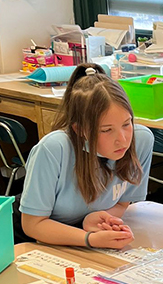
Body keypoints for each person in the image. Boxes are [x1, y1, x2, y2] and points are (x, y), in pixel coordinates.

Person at [18, 63, 154, 249]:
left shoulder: (142, 140)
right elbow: (33, 224)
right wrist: (89, 238)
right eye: (106, 130)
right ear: (80, 130)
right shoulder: (53, 149)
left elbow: (123, 204)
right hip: (33, 239)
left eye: (126, 124)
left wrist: (94, 220)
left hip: (82, 233)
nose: (122, 140)